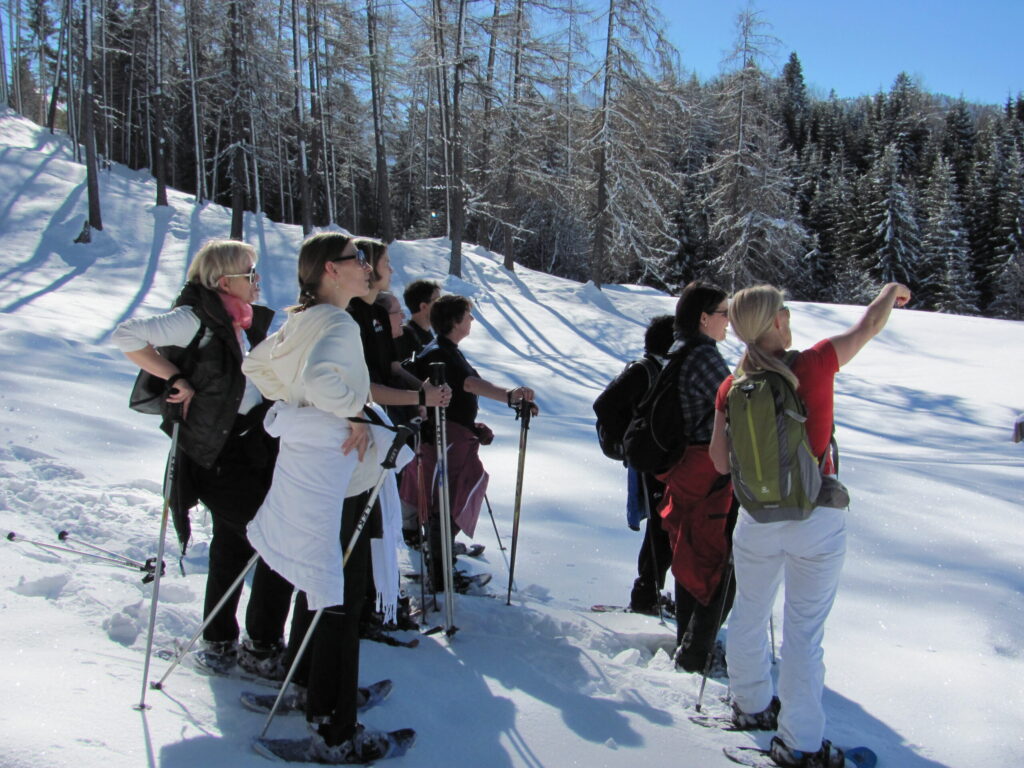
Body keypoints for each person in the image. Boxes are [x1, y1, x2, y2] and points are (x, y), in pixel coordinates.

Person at [710, 283, 911, 768]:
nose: (789, 315)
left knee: (750, 612)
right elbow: (867, 327)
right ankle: (800, 743)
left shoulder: (731, 386)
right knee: (802, 632)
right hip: (814, 516)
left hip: (756, 519)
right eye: (785, 310)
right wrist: (889, 293)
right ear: (776, 322)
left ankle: (750, 704)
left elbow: (719, 462)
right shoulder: (814, 365)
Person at [242, 232, 415, 763]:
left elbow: (258, 368)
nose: (366, 268)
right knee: (342, 598)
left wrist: (301, 404)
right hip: (340, 475)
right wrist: (349, 412)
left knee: (318, 585)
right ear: (329, 271)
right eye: (356, 260)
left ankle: (306, 688)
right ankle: (335, 732)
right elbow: (322, 379)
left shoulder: (301, 319)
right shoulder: (337, 322)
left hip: (309, 470)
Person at [112, 238, 292, 678]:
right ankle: (262, 646)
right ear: (222, 279)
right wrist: (174, 377)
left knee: (234, 545)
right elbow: (127, 335)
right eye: (250, 274)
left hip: (249, 448)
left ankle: (219, 642)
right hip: (216, 455)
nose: (257, 282)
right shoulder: (193, 317)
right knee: (278, 542)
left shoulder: (238, 320)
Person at [401, 294, 539, 592]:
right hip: (444, 441)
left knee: (450, 500)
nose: (472, 321)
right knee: (447, 502)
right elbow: (468, 384)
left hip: (451, 436)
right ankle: (440, 574)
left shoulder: (446, 349)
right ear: (454, 321)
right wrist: (510, 395)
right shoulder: (441, 351)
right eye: (468, 315)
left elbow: (457, 394)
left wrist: (470, 425)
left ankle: (441, 567)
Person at [654, 281, 736, 673]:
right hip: (706, 468)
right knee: (711, 560)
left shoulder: (680, 349)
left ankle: (690, 641)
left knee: (691, 554)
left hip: (685, 466)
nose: (729, 321)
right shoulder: (703, 357)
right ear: (704, 318)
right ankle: (695, 652)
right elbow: (735, 404)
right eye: (724, 313)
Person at [593, 315, 675, 615]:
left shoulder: (660, 369)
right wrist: (630, 442)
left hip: (656, 458)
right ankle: (645, 597)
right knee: (660, 527)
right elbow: (604, 405)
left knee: (662, 526)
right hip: (648, 460)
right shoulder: (644, 370)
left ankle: (648, 593)